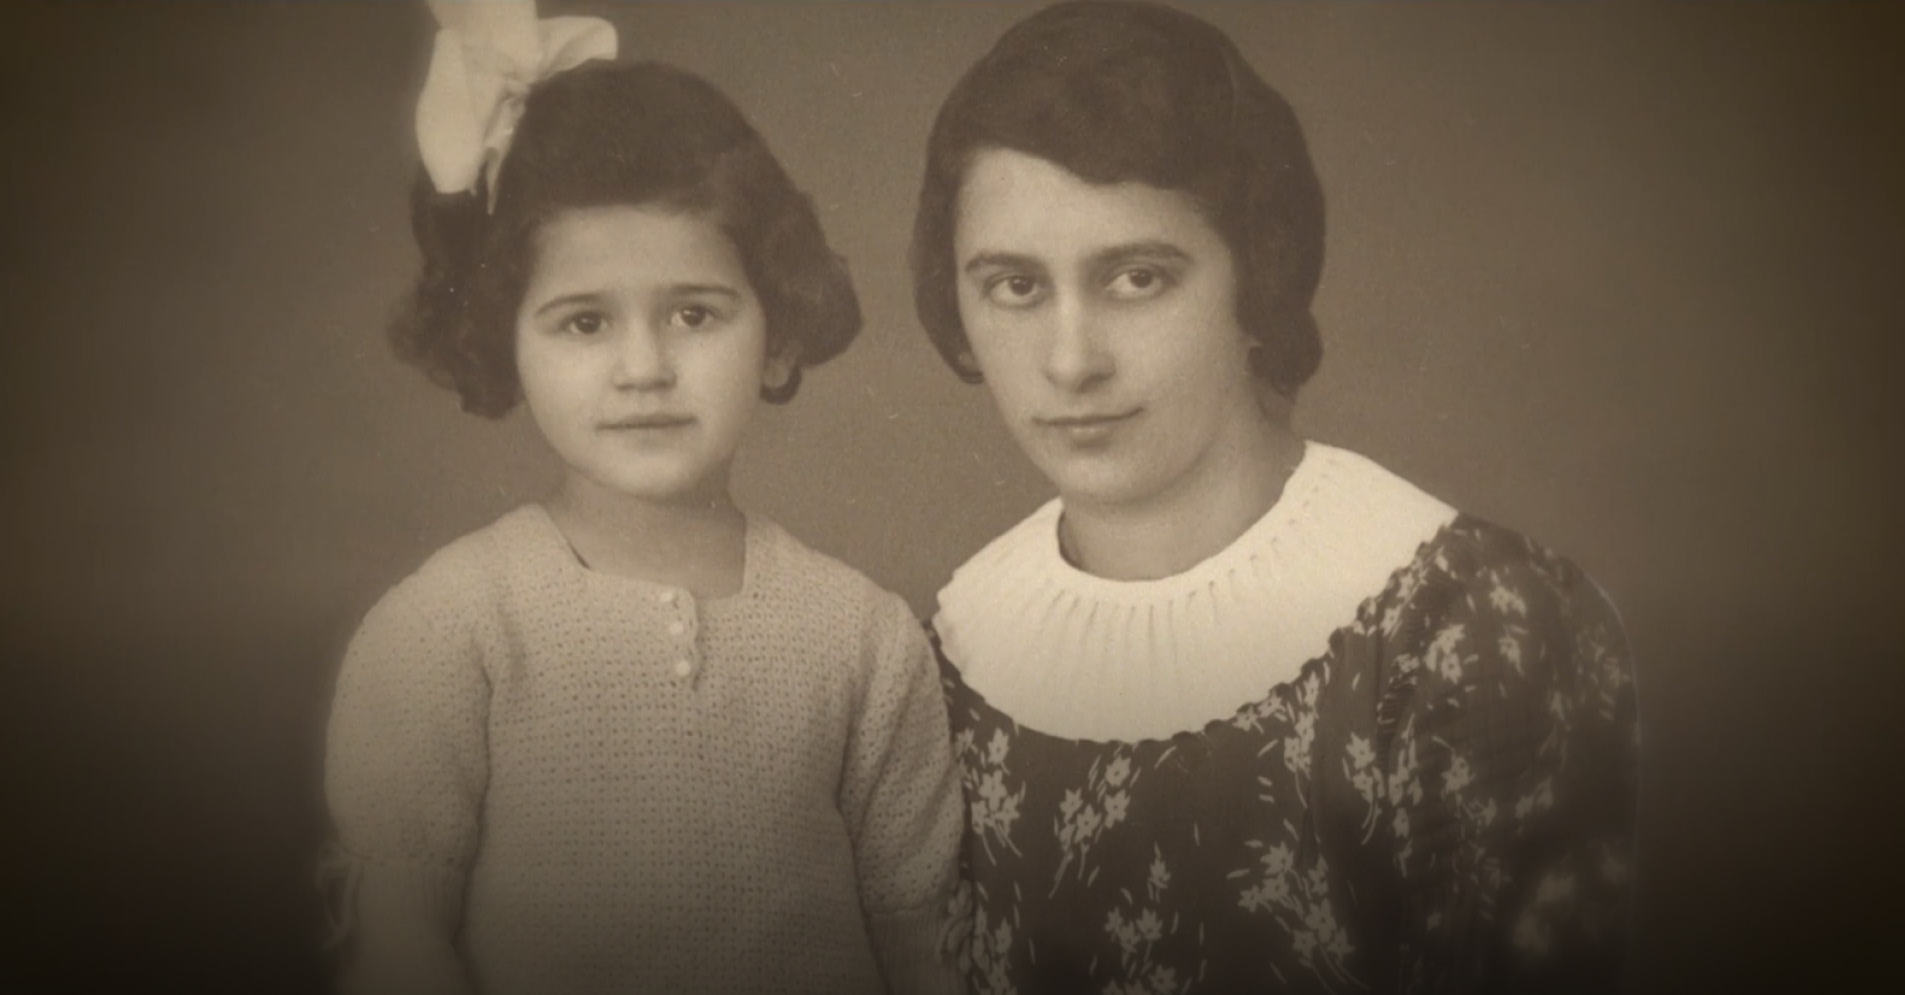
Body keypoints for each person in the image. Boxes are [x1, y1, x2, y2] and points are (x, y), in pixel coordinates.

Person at [910, 2, 1638, 992]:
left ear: (1259, 277)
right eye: (1014, 287)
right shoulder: (935, 660)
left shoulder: (1472, 624)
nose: (1069, 360)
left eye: (1136, 277)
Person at [320, 4, 963, 993]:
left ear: (779, 327)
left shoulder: (864, 638)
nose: (643, 367)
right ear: (503, 341)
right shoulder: (449, 630)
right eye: (582, 323)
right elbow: (401, 948)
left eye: (694, 313)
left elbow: (925, 955)